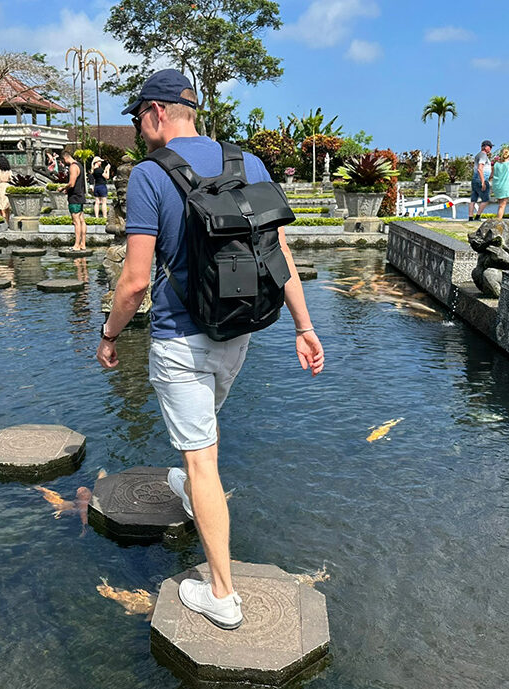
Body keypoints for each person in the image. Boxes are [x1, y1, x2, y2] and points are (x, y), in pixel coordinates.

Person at [96, 69, 324, 630]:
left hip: (179, 339)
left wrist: (108, 335)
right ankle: (191, 487)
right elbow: (279, 256)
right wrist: (304, 326)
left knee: (202, 459)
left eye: (136, 118)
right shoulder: (248, 164)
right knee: (202, 439)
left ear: (154, 113)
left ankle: (222, 593)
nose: (138, 129)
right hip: (238, 330)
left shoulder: (148, 175)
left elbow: (133, 283)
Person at [62, 148, 87, 251]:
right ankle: (83, 244)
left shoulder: (73, 167)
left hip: (75, 197)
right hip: (80, 195)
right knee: (81, 220)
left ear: (65, 158)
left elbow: (72, 183)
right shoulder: (80, 165)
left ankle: (76, 245)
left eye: (63, 161)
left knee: (76, 221)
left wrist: (63, 188)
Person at [489, 148, 509, 219]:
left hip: (497, 186)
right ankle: (499, 220)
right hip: (505, 186)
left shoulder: (496, 164)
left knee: (500, 204)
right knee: (502, 205)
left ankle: (499, 218)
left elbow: (491, 176)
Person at [469, 140, 493, 221]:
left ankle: (470, 216)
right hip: (481, 179)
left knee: (473, 199)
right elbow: (480, 169)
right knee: (486, 199)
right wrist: (483, 182)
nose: (491, 149)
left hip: (475, 179)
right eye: (490, 147)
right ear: (486, 147)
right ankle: (477, 216)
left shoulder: (478, 155)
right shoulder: (483, 155)